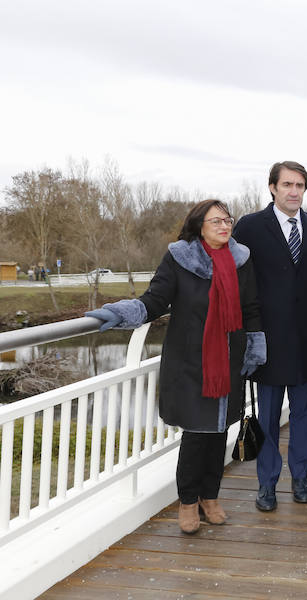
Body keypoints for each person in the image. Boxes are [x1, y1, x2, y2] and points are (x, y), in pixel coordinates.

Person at [86, 199, 265, 534]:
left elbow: (251, 307)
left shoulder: (241, 260)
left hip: (229, 360)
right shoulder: (181, 258)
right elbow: (155, 299)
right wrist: (122, 312)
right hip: (190, 362)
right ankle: (187, 502)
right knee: (197, 435)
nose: (224, 226)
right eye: (216, 222)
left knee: (218, 435)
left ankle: (210, 497)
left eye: (227, 220)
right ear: (199, 226)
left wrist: (255, 347)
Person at [231, 161, 307, 512]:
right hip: (268, 342)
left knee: (305, 415)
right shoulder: (249, 227)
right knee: (268, 417)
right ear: (273, 187)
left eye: (300, 185)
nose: (294, 191)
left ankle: (302, 477)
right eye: (287, 184)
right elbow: (240, 280)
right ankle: (267, 484)